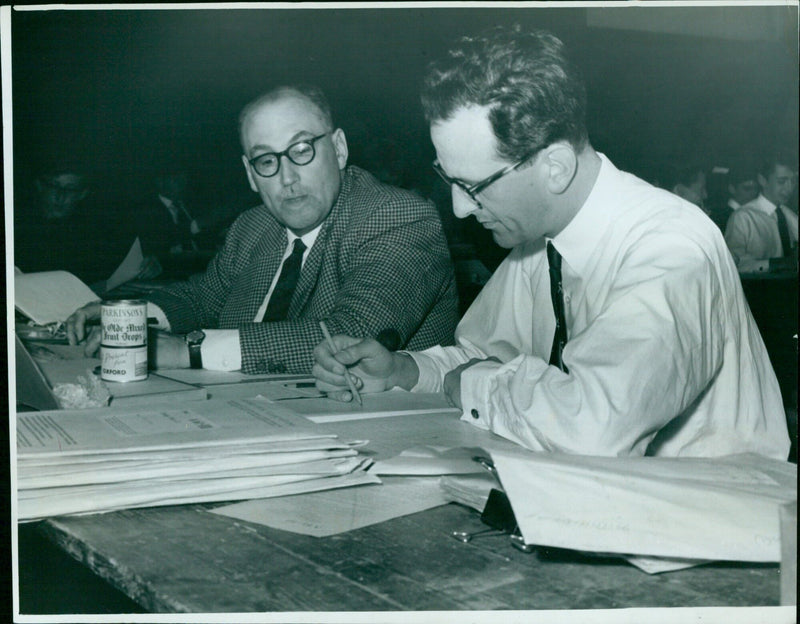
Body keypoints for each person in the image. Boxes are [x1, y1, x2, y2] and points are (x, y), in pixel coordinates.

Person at [313, 26, 789, 460]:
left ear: (556, 167)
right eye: (448, 179)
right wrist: (401, 372)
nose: (459, 208)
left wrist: (474, 384)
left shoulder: (670, 245)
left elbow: (593, 426)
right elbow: (489, 359)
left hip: (706, 532)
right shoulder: (538, 242)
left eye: (474, 186)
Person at [67, 84, 459, 374]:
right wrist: (128, 316)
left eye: (302, 150)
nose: (287, 177)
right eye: (266, 161)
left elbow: (350, 336)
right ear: (250, 175)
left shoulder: (399, 215)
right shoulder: (253, 226)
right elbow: (203, 298)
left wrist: (185, 350)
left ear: (338, 149)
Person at [14, 160, 132, 291]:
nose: (60, 196)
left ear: (82, 194)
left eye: (70, 189)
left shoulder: (90, 234)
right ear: (40, 185)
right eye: (54, 185)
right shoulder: (18, 225)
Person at [724, 153, 798, 274]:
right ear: (762, 180)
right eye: (782, 181)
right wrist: (778, 264)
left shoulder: (789, 215)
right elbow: (733, 264)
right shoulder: (743, 217)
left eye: (793, 181)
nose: (789, 188)